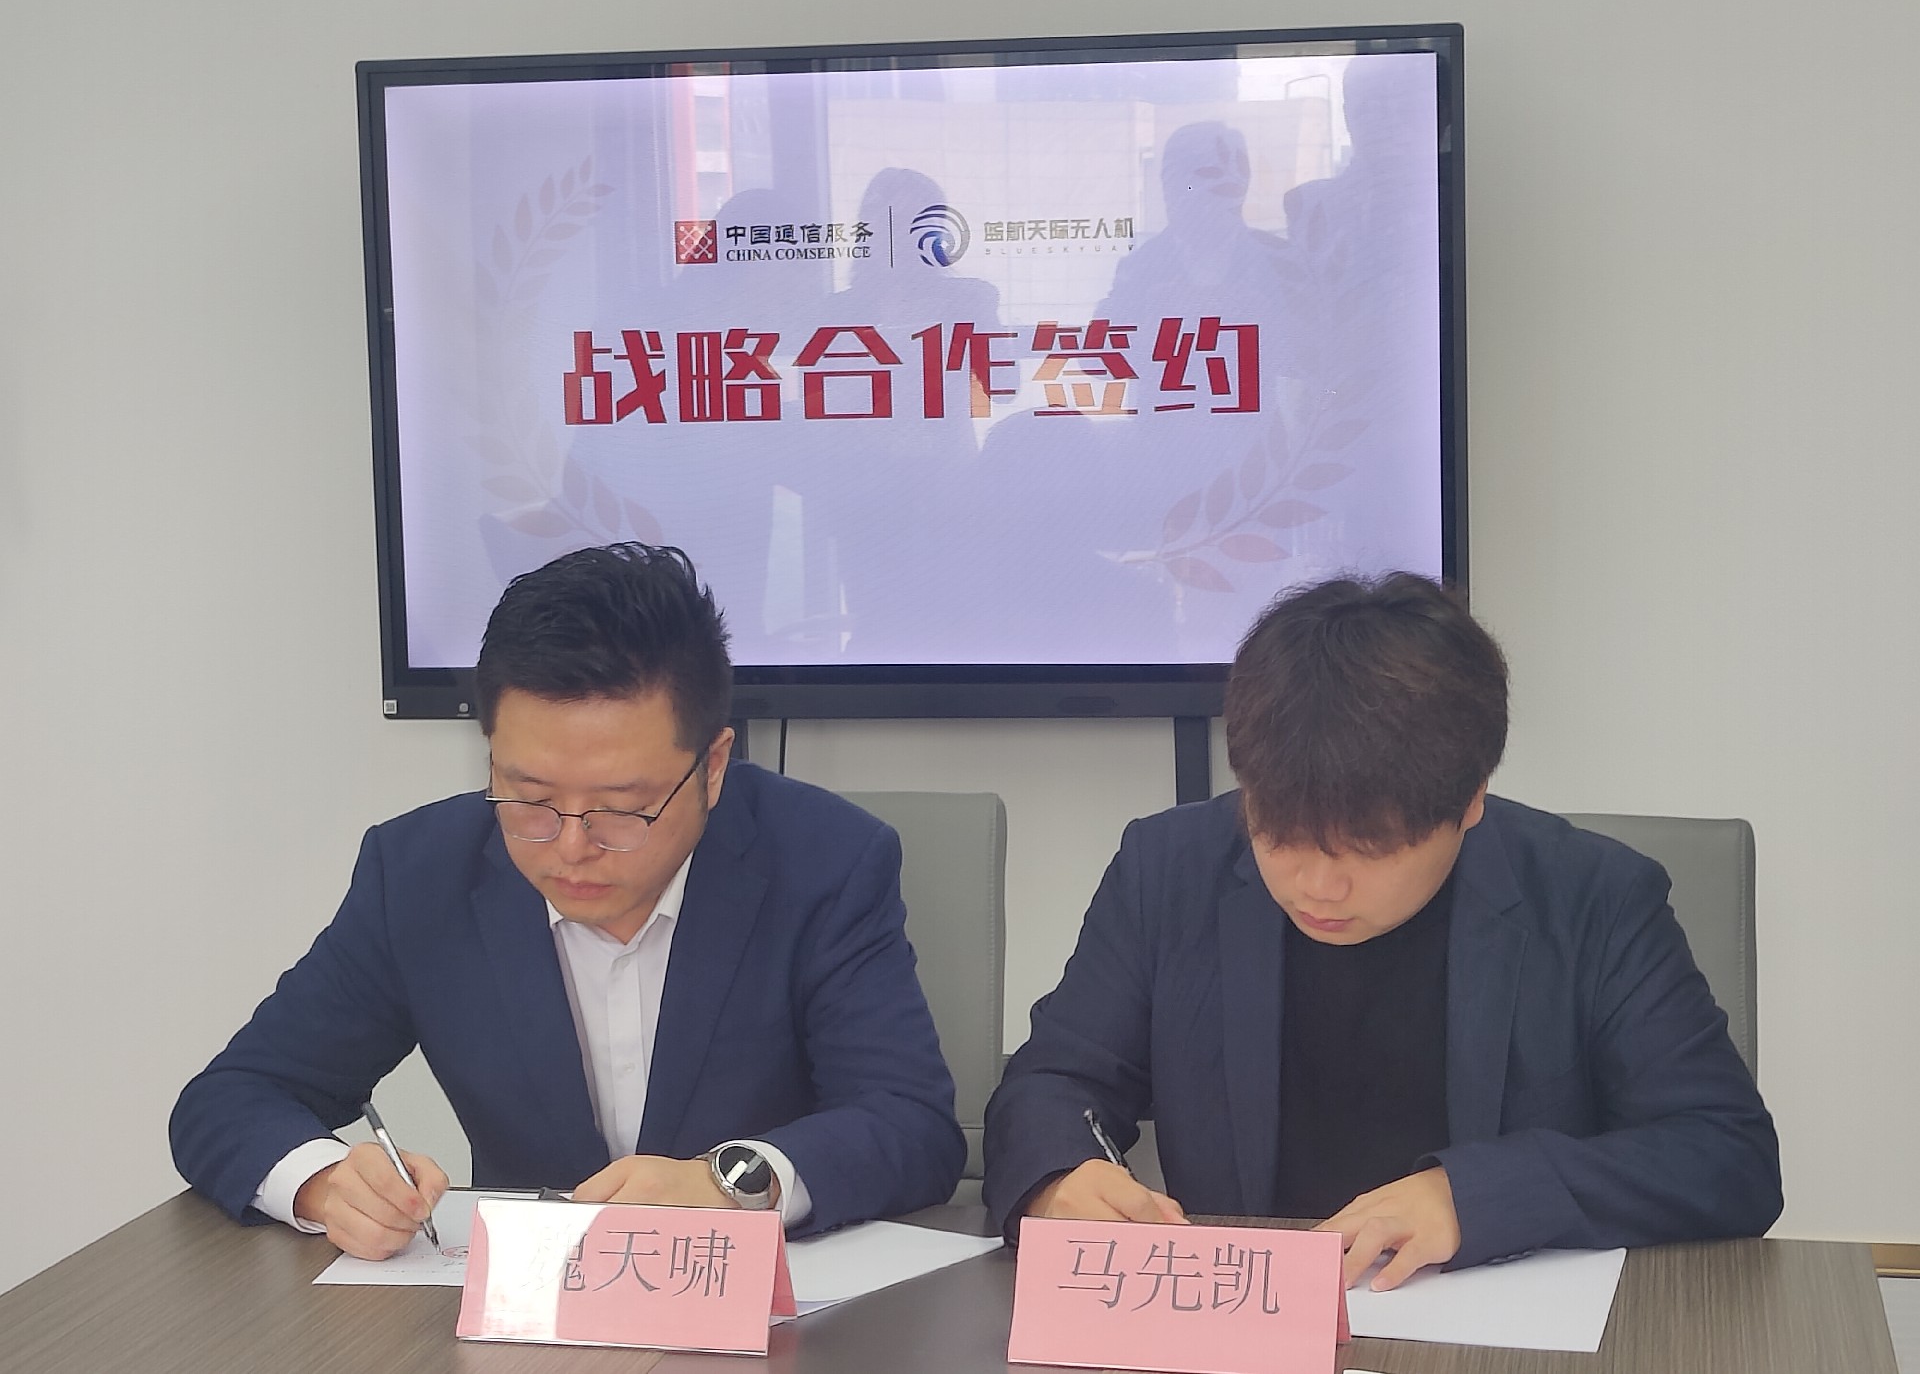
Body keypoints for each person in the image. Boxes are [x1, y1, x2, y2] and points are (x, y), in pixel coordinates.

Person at [983, 572, 1781, 1290]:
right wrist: (1060, 1176)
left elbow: (1726, 1152)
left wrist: (1473, 1196)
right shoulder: (1168, 870)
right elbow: (1052, 1082)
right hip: (1251, 1322)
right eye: (1280, 836)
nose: (1317, 885)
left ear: (1470, 800)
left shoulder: (1594, 897)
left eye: (1367, 850)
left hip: (1491, 1328)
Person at [172, 543, 964, 1259]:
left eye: (622, 807)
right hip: (525, 1317)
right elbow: (232, 1096)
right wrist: (323, 1182)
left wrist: (732, 1185)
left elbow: (912, 1125)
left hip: (767, 1318)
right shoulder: (420, 874)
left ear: (714, 765)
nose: (572, 845)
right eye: (530, 796)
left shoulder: (826, 861)